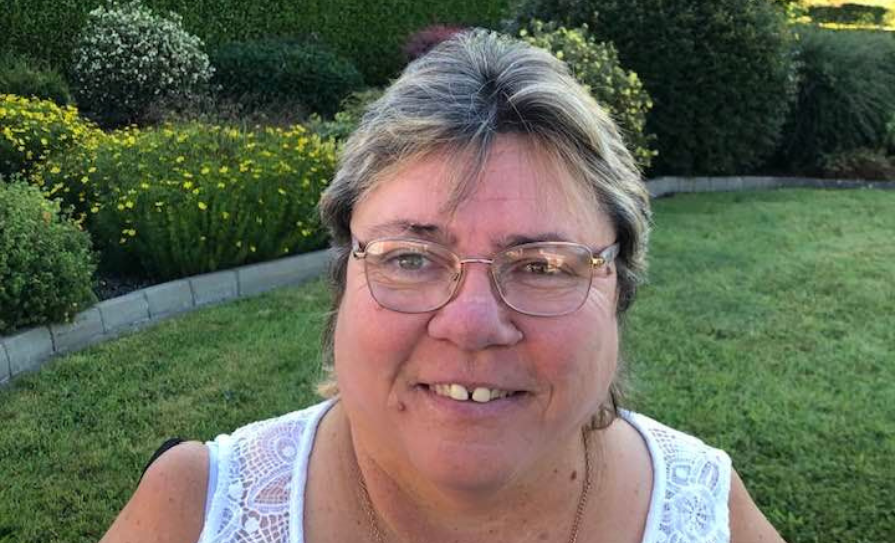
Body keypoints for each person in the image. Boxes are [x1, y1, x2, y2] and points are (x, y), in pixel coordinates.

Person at [100, 30, 786, 543]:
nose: (471, 323)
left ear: (619, 292)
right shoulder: (191, 511)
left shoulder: (707, 510)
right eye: (410, 257)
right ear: (344, 281)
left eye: (543, 265)